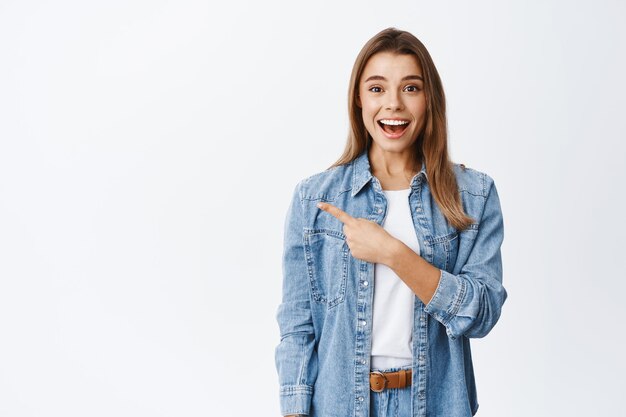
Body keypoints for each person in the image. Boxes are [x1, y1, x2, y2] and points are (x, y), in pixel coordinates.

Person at [274, 27, 507, 417]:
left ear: (429, 99)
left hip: (436, 402)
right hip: (339, 404)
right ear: (359, 100)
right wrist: (295, 409)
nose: (393, 105)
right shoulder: (314, 198)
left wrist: (394, 254)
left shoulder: (473, 194)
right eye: (377, 89)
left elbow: (481, 314)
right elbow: (298, 326)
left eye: (411, 88)